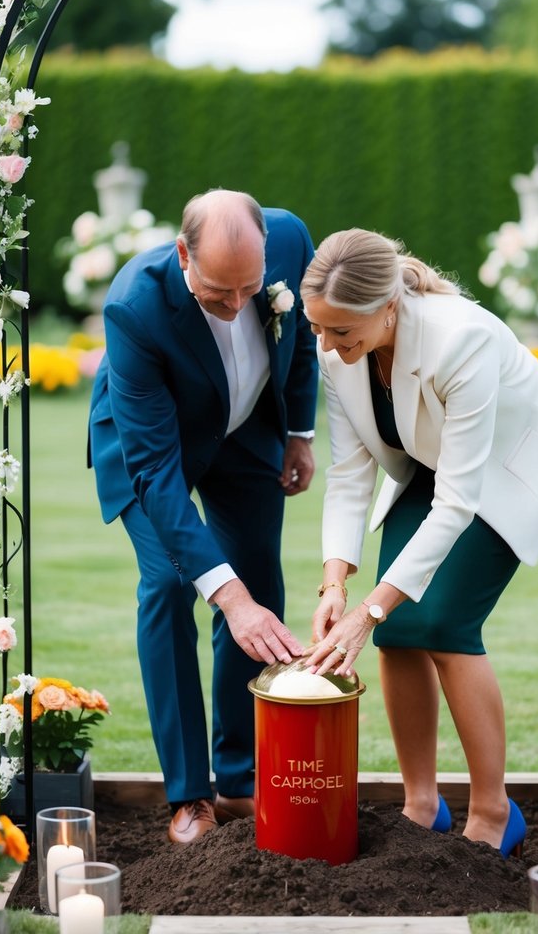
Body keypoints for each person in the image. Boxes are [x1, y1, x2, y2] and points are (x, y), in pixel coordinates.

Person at [300, 228, 538, 857]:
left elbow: (459, 502)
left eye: (341, 331)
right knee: (398, 634)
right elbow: (349, 472)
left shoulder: (463, 338)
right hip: (430, 466)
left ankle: (492, 810)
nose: (328, 345)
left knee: (446, 622)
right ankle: (421, 806)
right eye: (318, 329)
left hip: (503, 475)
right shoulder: (336, 351)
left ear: (387, 307)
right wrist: (337, 582)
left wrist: (369, 609)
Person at [88, 189, 319, 844]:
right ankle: (189, 796)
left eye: (250, 290)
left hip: (246, 432)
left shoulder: (291, 239)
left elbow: (298, 336)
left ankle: (241, 777)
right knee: (169, 583)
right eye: (219, 293)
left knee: (259, 583)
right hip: (152, 445)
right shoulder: (135, 306)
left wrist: (298, 431)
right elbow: (157, 477)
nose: (237, 305)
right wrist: (227, 597)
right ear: (183, 253)